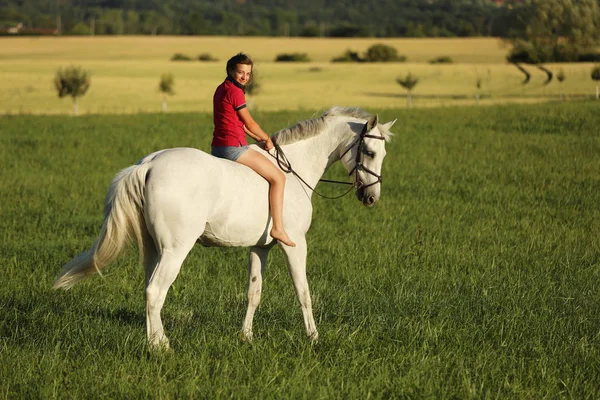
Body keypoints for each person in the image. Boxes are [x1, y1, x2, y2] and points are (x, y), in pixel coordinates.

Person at [211, 53, 296, 247]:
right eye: (240, 72)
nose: (244, 77)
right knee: (279, 178)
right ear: (231, 71)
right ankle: (278, 228)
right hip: (233, 148)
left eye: (248, 74)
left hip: (218, 146)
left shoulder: (221, 88)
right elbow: (249, 121)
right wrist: (267, 138)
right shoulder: (235, 92)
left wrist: (258, 137)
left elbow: (239, 124)